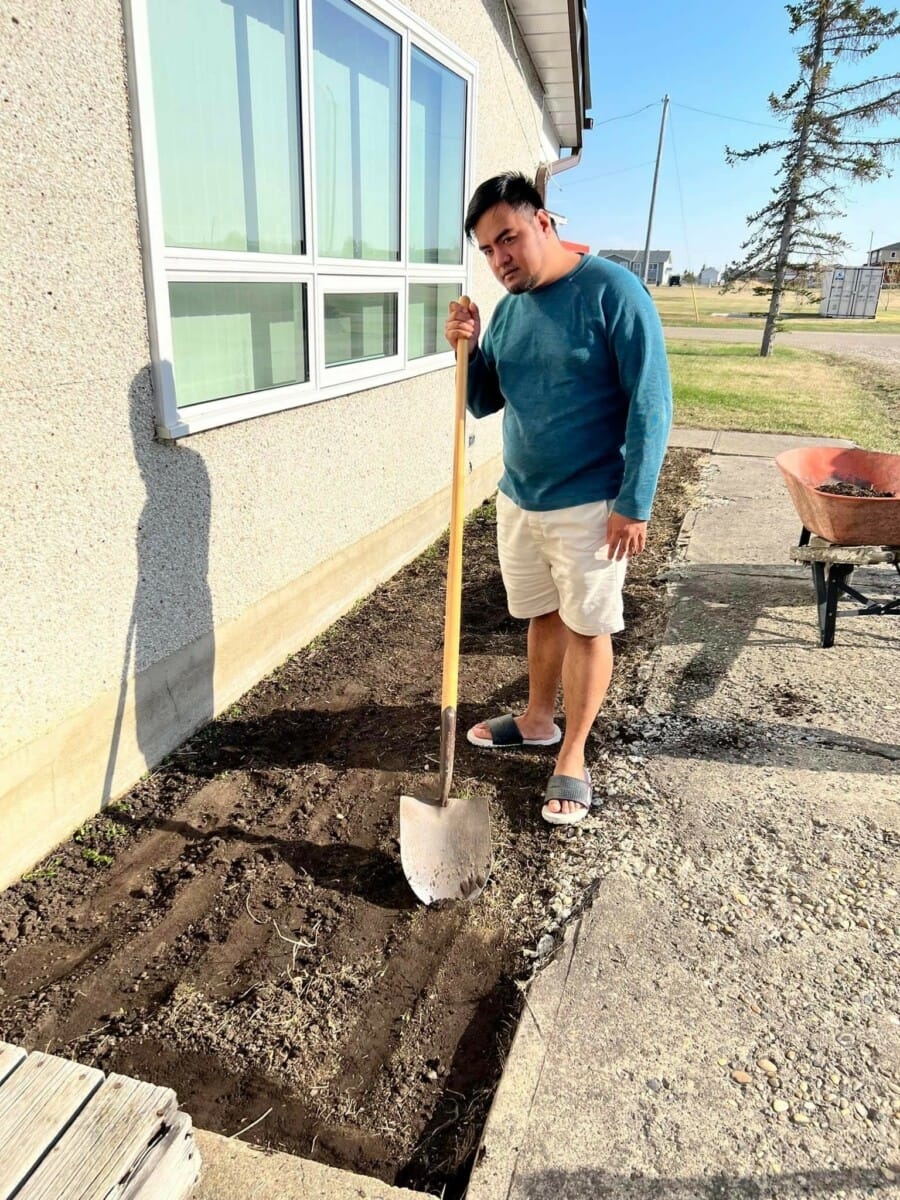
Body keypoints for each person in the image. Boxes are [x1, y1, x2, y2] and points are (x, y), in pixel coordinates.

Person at [444, 172, 672, 826]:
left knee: (587, 626)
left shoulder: (612, 292)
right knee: (541, 615)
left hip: (592, 505)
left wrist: (635, 502)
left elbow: (651, 402)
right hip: (520, 499)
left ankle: (573, 753)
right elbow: (484, 400)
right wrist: (468, 349)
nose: (500, 259)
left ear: (543, 222)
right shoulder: (511, 310)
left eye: (509, 238)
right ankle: (538, 720)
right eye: (488, 249)